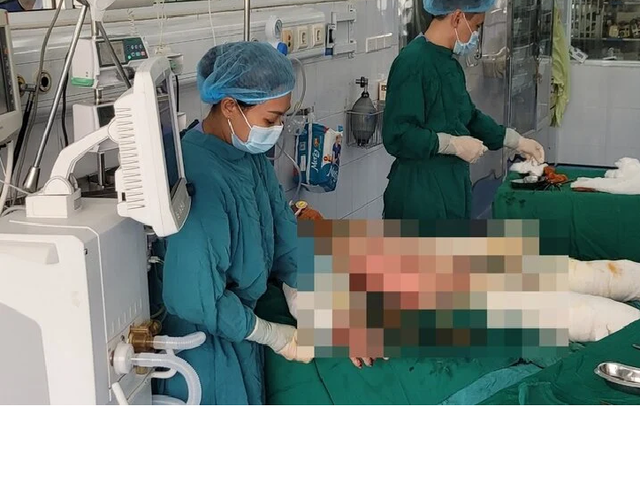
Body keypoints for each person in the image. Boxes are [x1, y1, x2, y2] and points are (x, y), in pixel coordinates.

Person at [155, 42, 371, 405]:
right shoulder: (197, 176)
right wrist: (273, 335)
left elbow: (285, 236)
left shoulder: (246, 153)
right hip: (203, 349)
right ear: (229, 106)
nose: (278, 128)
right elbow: (196, 299)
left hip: (241, 335)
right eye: (271, 120)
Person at [382, 0, 545, 221]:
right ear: (457, 17)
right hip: (419, 194)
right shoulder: (412, 62)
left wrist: (515, 140)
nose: (476, 35)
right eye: (477, 26)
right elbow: (398, 135)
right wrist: (451, 144)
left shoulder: (449, 64)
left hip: (451, 188)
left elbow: (468, 117)